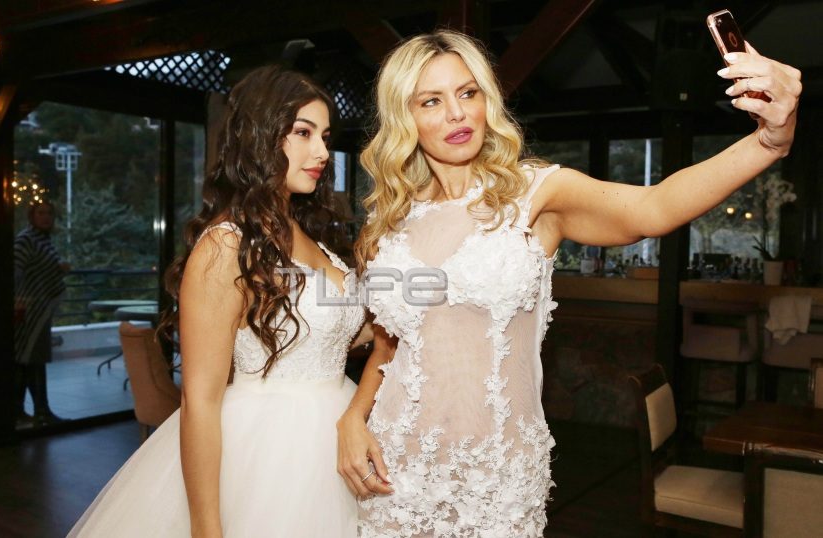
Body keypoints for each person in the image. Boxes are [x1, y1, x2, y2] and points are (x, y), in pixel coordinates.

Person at [336, 30, 801, 537]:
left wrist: (768, 141)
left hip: (496, 477)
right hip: (395, 467)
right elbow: (390, 342)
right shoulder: (389, 221)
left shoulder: (534, 195)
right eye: (432, 100)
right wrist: (353, 418)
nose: (456, 113)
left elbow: (655, 207)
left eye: (468, 93)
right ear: (404, 117)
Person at [69, 65, 370, 537]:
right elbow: (200, 401)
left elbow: (335, 332)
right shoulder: (225, 246)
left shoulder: (305, 232)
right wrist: (206, 528)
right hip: (268, 452)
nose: (321, 152)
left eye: (325, 136)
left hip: (340, 431)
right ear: (260, 137)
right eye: (303, 132)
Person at [14, 200, 70, 426]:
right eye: (41, 213)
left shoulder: (43, 240)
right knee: (30, 360)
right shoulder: (26, 240)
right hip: (28, 312)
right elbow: (14, 271)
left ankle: (23, 412)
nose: (46, 217)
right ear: (32, 216)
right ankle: (40, 412)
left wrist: (58, 268)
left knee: (29, 360)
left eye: (49, 213)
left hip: (39, 311)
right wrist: (17, 299)